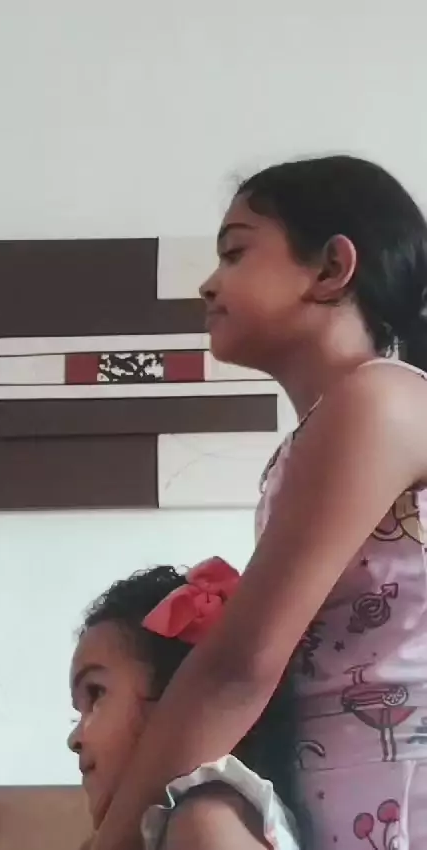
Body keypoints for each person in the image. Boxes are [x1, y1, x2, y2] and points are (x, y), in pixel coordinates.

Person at [91, 155, 427, 850]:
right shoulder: (320, 436)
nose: (208, 283)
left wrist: (114, 839)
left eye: (235, 252)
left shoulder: (381, 400)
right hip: (345, 804)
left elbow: (238, 668)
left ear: (331, 268)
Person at [69, 560, 301, 850]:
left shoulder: (205, 822)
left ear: (178, 699)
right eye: (77, 715)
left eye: (95, 694)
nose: (73, 740)